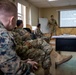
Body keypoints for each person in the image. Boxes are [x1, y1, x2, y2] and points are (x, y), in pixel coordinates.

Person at [0, 1, 38, 75]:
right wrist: (29, 65)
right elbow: (15, 70)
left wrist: (23, 62)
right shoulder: (3, 36)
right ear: (12, 20)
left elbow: (5, 61)